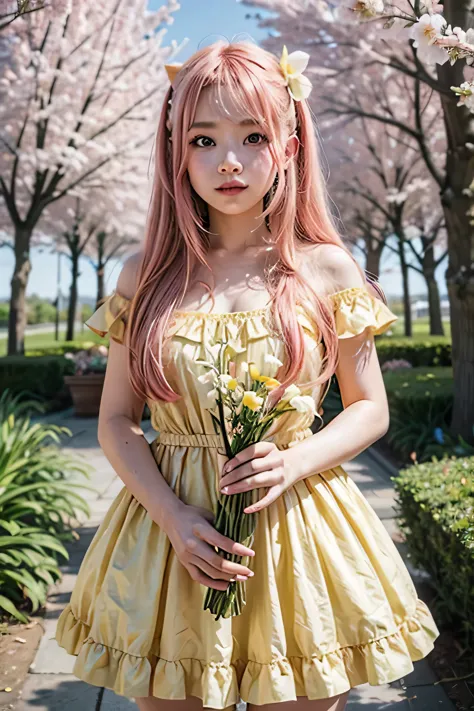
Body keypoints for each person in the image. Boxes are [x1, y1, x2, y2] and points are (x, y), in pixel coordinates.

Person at [55, 40, 439, 711]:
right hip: (174, 537)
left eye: (252, 135)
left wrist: (294, 459)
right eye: (203, 138)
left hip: (295, 533)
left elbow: (369, 407)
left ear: (289, 145)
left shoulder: (326, 269)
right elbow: (116, 419)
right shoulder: (145, 275)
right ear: (176, 152)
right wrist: (172, 515)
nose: (227, 160)